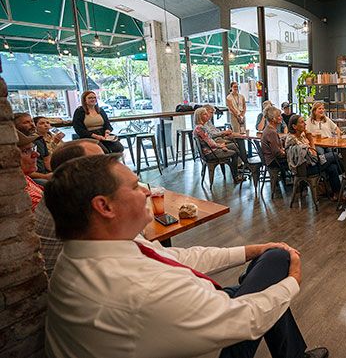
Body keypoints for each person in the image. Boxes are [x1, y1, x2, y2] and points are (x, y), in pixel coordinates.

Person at [43, 154, 328, 358]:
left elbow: (181, 257)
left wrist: (250, 251)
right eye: (134, 186)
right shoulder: (140, 289)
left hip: (169, 325)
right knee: (277, 265)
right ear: (104, 206)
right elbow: (247, 319)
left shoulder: (90, 251)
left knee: (266, 268)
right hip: (206, 337)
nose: (145, 190)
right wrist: (292, 281)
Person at [34, 139, 104, 278]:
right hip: (73, 282)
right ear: (75, 171)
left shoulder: (59, 191)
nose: (109, 168)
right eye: (100, 163)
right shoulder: (74, 199)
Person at [286, 114, 346, 201]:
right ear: (294, 126)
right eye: (302, 122)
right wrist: (311, 140)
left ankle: (337, 194)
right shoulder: (293, 140)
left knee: (332, 167)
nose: (305, 124)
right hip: (306, 169)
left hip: (309, 164)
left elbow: (311, 155)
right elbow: (313, 157)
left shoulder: (300, 135)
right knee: (335, 155)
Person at [194, 107, 243, 183]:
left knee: (233, 145)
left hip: (211, 150)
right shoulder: (200, 128)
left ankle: (243, 165)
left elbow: (210, 140)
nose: (207, 115)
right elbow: (210, 143)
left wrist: (220, 145)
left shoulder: (199, 127)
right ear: (199, 116)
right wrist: (220, 146)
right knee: (235, 153)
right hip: (211, 153)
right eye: (204, 114)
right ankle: (236, 176)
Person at [14, 112, 52, 181]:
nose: (32, 124)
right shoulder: (13, 144)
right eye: (26, 122)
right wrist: (45, 177)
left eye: (32, 121)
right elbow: (23, 170)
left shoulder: (39, 139)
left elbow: (47, 159)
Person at [16, 130, 44, 212]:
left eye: (33, 148)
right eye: (25, 151)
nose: (36, 154)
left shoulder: (22, 175)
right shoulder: (17, 191)